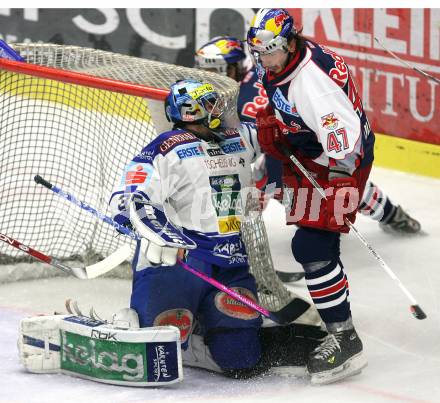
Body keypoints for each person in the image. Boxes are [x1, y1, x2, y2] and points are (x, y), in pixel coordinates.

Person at [109, 79, 322, 379]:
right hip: (177, 264)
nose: (219, 109)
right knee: (156, 351)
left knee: (242, 360)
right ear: (190, 112)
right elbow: (129, 198)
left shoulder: (238, 137)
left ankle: (197, 332)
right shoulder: (166, 150)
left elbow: (280, 133)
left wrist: (307, 121)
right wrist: (159, 234)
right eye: (210, 104)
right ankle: (140, 324)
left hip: (230, 263)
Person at [246, 8, 379, 384]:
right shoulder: (284, 60)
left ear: (288, 43)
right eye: (258, 51)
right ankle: (338, 321)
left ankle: (344, 336)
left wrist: (339, 180)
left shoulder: (311, 83)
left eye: (269, 51)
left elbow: (346, 139)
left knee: (312, 246)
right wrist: (283, 128)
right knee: (309, 242)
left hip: (341, 162)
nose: (262, 59)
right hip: (312, 152)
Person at [195, 35, 421, 234]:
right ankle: (392, 215)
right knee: (336, 190)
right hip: (301, 145)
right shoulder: (265, 67)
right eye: (204, 70)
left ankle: (247, 239)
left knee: (277, 187)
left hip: (301, 147)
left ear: (233, 67)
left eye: (214, 71)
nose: (208, 78)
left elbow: (250, 141)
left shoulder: (243, 96)